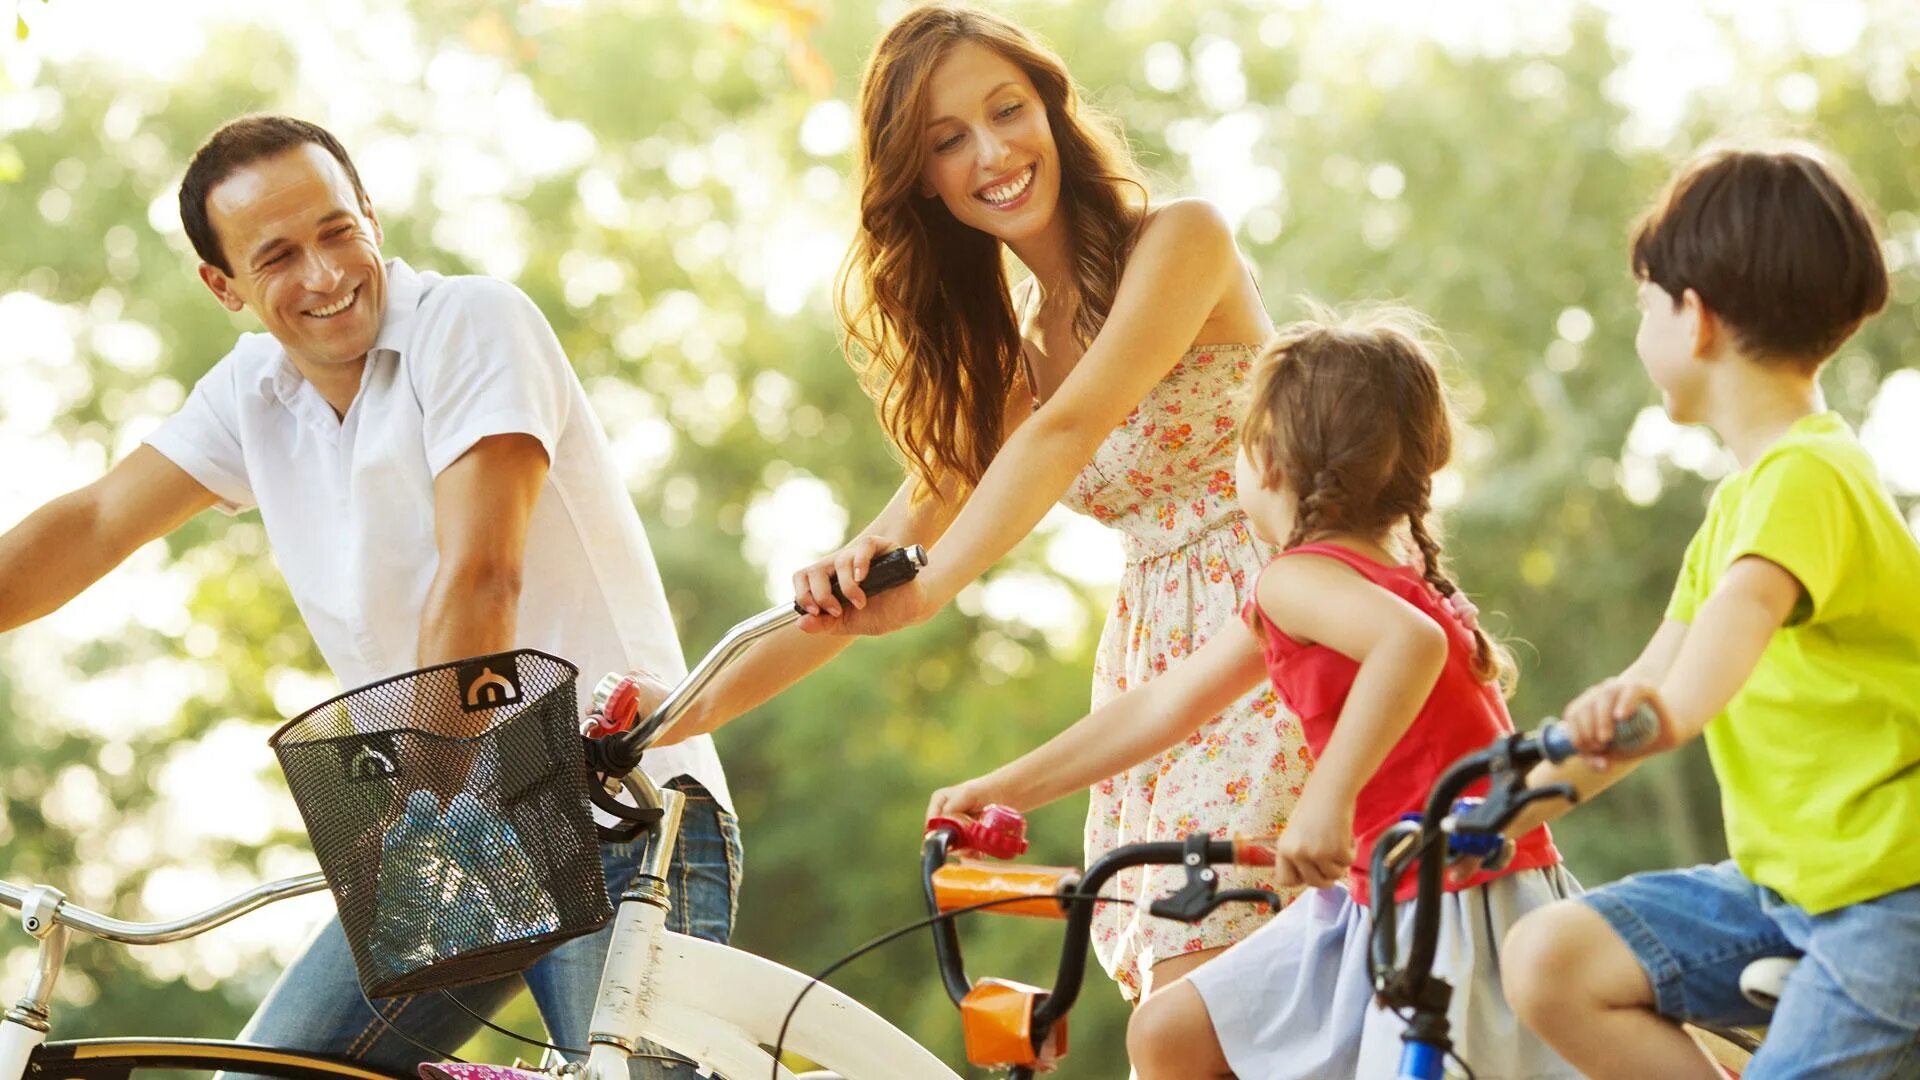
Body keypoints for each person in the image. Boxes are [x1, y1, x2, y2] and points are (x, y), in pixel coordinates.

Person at [0, 115, 733, 1077]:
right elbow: (96, 523)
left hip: (617, 810)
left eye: (338, 231)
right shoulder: (251, 394)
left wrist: (419, 803)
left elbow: (482, 574)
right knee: (263, 1074)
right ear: (223, 286)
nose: (325, 273)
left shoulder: (472, 324)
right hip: (455, 826)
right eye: (278, 255)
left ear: (372, 220)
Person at [657, 0, 1306, 1003]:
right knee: (1185, 1017)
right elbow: (880, 556)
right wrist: (651, 731)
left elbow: (1069, 430)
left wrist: (930, 591)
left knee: (1203, 998)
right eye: (947, 140)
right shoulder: (1010, 359)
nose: (993, 152)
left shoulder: (1181, 241)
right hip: (1152, 668)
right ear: (918, 178)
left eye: (1007, 111)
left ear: (1050, 105)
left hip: (1285, 618)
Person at [929, 307, 1581, 1079]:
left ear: (1267, 460)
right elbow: (1164, 706)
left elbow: (1409, 648)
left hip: (1452, 905)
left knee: (1187, 1039)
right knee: (1168, 1034)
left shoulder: (1306, 579)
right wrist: (999, 788)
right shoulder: (1346, 584)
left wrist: (1325, 801)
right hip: (1393, 898)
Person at [1499, 145, 1920, 1079]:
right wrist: (1484, 816)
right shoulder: (1740, 505)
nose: (1639, 326)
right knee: (1549, 958)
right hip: (1785, 888)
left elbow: (1697, 677)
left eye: (1644, 304)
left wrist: (1660, 712)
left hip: (1891, 897)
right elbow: (1651, 685)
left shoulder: (1810, 474)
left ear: (1696, 319)